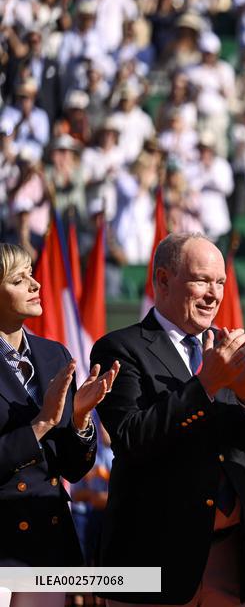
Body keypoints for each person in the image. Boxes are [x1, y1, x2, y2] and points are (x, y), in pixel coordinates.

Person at [92, 233, 245, 606]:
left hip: (229, 561)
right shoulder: (119, 348)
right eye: (202, 280)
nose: (214, 294)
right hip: (150, 560)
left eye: (220, 282)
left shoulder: (236, 348)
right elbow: (132, 439)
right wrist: (206, 385)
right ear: (164, 280)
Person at [0, 242, 119, 607]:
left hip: (48, 535)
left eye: (33, 274)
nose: (35, 285)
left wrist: (81, 419)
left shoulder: (56, 354)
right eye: (20, 279)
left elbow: (73, 467)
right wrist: (41, 424)